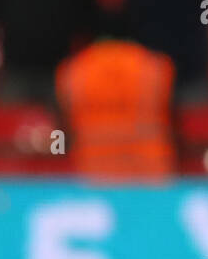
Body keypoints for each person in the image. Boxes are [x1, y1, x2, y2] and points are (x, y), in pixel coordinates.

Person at [56, 39, 176, 179]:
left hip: (94, 171)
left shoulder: (73, 71)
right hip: (150, 171)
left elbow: (64, 124)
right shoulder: (155, 68)